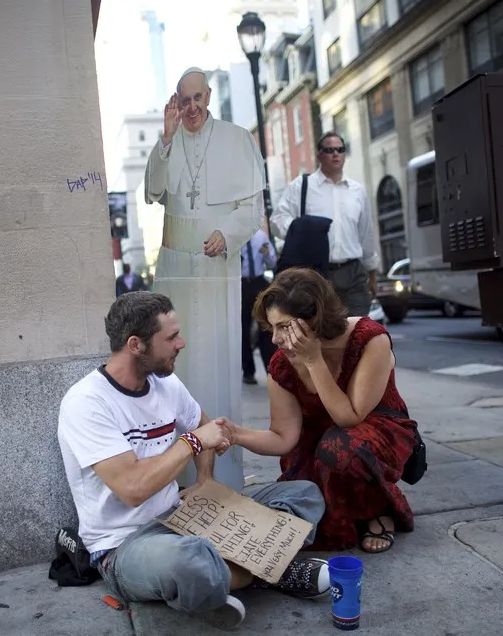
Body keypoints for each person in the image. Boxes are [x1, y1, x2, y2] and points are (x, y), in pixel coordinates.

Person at [57, 292, 329, 630]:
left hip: (183, 516)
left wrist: (204, 483)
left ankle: (233, 574)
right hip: (125, 544)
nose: (181, 343)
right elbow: (132, 488)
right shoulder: (87, 402)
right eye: (171, 337)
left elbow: (203, 425)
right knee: (189, 560)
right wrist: (193, 442)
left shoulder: (166, 383)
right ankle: (267, 567)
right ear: (135, 345)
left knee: (304, 494)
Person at [222, 268, 418, 553]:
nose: (274, 339)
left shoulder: (369, 339)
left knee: (340, 447)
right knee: (301, 504)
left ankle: (378, 510)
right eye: (271, 327)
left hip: (374, 432)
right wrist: (235, 434)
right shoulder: (281, 365)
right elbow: (283, 437)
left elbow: (350, 417)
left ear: (314, 319)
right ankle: (347, 514)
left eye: (284, 326)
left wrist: (314, 361)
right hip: (317, 443)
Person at [143, 66, 266, 491]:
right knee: (175, 364)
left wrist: (225, 234)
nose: (191, 107)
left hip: (216, 271)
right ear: (176, 103)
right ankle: (175, 478)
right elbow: (154, 192)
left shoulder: (236, 139)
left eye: (198, 98)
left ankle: (223, 479)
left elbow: (251, 209)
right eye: (183, 100)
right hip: (175, 271)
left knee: (215, 361)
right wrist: (164, 138)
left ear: (209, 96)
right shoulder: (168, 141)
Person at [270, 132, 380, 316]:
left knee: (357, 331)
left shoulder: (357, 191)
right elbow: (277, 220)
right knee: (322, 334)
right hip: (316, 274)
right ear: (319, 156)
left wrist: (372, 273)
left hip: (353, 273)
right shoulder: (302, 186)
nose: (335, 154)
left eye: (340, 149)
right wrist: (303, 231)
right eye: (329, 150)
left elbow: (366, 234)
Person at [240, 223, 277, 385]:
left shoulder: (261, 236)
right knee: (243, 329)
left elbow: (272, 263)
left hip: (259, 283)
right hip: (241, 284)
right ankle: (248, 372)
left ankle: (271, 369)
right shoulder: (235, 238)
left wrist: (268, 254)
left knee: (266, 327)